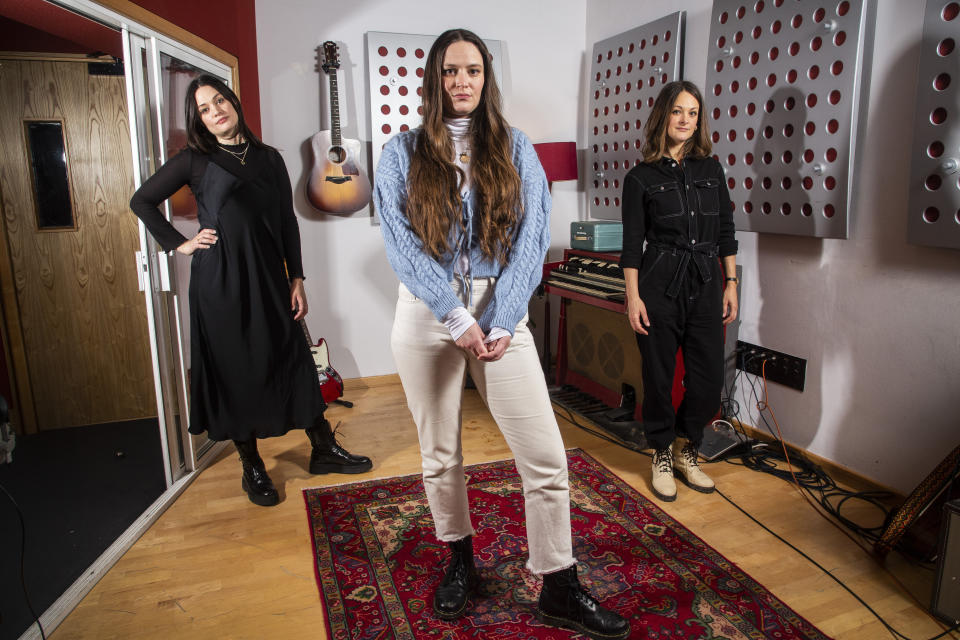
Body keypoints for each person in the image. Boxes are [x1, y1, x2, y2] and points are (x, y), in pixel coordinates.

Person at [373, 28, 629, 639]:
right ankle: (460, 560)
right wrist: (455, 318)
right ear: (433, 78)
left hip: (500, 311)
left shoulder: (516, 148)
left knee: (543, 454)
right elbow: (402, 245)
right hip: (425, 313)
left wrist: (502, 317)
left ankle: (559, 583)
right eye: (449, 71)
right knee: (441, 453)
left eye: (473, 71)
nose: (461, 81)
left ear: (487, 80)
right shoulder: (398, 152)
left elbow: (532, 239)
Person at [129, 75, 371, 507]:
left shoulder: (269, 159)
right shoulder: (194, 160)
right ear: (199, 120)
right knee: (233, 369)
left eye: (219, 101)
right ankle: (252, 466)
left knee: (292, 358)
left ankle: (323, 449)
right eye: (204, 109)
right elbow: (142, 200)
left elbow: (286, 223)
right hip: (219, 281)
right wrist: (178, 243)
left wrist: (296, 278)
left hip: (268, 277)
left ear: (233, 102)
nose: (215, 111)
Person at [620, 80, 739, 503]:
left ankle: (689, 449)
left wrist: (732, 283)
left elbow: (725, 230)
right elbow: (633, 244)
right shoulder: (640, 178)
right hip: (659, 283)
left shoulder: (711, 169)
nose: (685, 120)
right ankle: (661, 454)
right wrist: (633, 298)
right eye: (677, 111)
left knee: (708, 380)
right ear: (662, 117)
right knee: (658, 377)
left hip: (707, 282)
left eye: (692, 112)